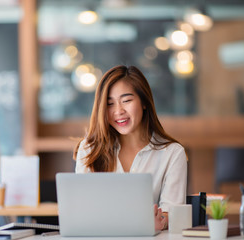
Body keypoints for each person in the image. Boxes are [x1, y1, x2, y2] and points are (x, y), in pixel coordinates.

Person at [73, 65, 187, 231]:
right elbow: (81, 210)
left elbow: (172, 212)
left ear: (144, 102)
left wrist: (160, 222)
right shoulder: (90, 148)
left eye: (126, 101)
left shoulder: (173, 153)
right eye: (110, 104)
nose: (118, 111)